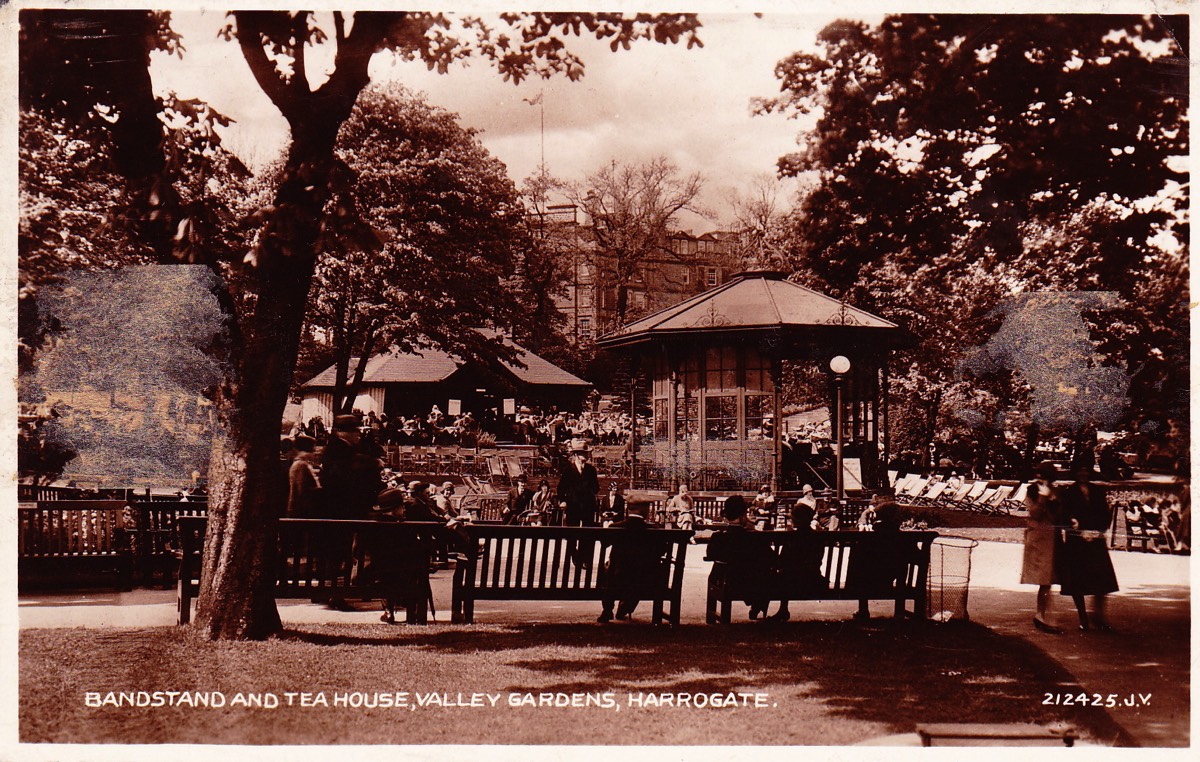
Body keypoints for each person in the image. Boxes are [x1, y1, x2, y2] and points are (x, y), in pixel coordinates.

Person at [1057, 467, 1119, 632]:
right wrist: (1074, 524)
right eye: (1080, 471)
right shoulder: (1068, 492)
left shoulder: (1097, 491)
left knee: (1102, 578)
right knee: (1077, 581)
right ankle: (1083, 617)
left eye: (1085, 471)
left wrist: (1098, 531)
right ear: (1075, 473)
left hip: (1095, 539)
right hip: (1077, 542)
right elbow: (1063, 515)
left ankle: (1098, 616)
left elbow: (1105, 515)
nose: (1083, 474)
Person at [705, 495, 772, 621]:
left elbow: (710, 555)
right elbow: (770, 557)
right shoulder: (755, 538)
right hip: (753, 582)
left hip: (727, 580)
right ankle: (758, 606)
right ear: (743, 515)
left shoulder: (718, 537)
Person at [597, 501, 664, 623]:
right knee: (639, 573)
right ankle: (625, 606)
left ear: (628, 510)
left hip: (618, 575)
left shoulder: (615, 527)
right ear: (646, 513)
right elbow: (662, 551)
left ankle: (607, 609)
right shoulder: (655, 530)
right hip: (646, 578)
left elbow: (604, 543)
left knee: (608, 568)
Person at [764, 502, 828, 622]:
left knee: (774, 576)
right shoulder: (817, 537)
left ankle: (778, 609)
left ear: (797, 519)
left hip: (793, 582)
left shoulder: (792, 538)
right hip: (814, 581)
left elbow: (781, 562)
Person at [1022, 462, 1064, 634]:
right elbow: (1035, 514)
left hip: (1053, 537)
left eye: (1044, 475)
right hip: (1039, 538)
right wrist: (1043, 497)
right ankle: (1042, 615)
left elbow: (1060, 515)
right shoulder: (1032, 491)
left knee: (1049, 580)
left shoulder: (1057, 491)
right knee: (1044, 578)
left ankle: (1043, 614)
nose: (1040, 478)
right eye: (1039, 474)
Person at [557, 440, 600, 567]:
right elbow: (561, 488)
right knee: (572, 533)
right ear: (576, 455)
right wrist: (563, 500)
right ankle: (574, 555)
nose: (586, 456)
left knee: (587, 533)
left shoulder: (591, 470)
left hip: (587, 506)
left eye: (587, 454)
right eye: (583, 454)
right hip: (573, 506)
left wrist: (589, 491)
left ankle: (584, 558)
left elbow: (596, 488)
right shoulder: (568, 470)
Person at [286, 434, 321, 518]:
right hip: (301, 511)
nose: (315, 452)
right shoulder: (302, 465)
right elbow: (303, 490)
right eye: (313, 448)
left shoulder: (299, 463)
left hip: (297, 510)